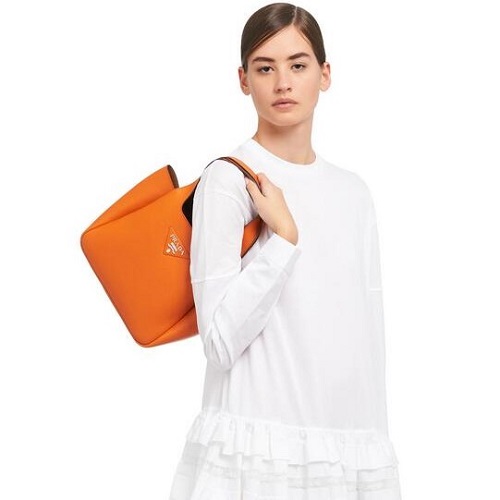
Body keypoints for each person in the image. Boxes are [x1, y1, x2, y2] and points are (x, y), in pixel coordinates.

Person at [168, 3, 402, 499]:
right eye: (264, 68)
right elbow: (219, 342)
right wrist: (284, 240)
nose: (282, 83)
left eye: (298, 65)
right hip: (258, 454)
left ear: (325, 74)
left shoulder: (354, 192)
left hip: (343, 455)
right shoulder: (229, 180)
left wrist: (374, 461)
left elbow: (368, 340)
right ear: (243, 79)